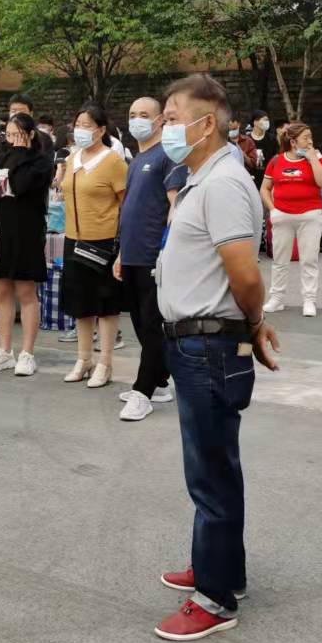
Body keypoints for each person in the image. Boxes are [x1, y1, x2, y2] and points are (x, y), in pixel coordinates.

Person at [153, 73, 280, 642]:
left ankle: (215, 598)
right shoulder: (203, 178)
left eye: (172, 117)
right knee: (214, 464)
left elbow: (244, 274)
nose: (164, 127)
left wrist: (253, 323)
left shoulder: (224, 182)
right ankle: (222, 569)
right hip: (195, 341)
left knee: (210, 470)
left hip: (209, 344)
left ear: (205, 124)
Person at [114, 96, 187, 421]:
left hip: (153, 256)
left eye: (144, 114)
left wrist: (167, 250)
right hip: (131, 254)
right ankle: (159, 382)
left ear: (159, 121)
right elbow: (130, 209)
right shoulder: (136, 160)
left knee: (153, 325)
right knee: (141, 325)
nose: (137, 120)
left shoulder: (167, 156)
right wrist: (120, 253)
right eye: (132, 114)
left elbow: (176, 207)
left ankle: (142, 391)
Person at [0, 112, 51, 375]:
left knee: (26, 292)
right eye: (8, 135)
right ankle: (4, 350)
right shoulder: (0, 159)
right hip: (2, 231)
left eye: (17, 134)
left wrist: (9, 165)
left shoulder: (40, 161)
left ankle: (27, 353)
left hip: (27, 232)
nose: (12, 140)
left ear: (30, 134)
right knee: (2, 290)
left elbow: (21, 186)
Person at [59, 103, 127, 387]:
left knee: (105, 303)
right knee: (81, 302)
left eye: (87, 125)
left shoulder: (113, 161)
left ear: (101, 130)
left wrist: (122, 245)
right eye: (78, 125)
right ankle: (83, 359)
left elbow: (126, 204)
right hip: (74, 239)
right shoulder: (73, 158)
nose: (80, 130)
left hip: (103, 241)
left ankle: (105, 362)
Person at [261, 121, 322, 317]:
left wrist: (313, 159)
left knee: (309, 260)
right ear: (293, 141)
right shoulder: (276, 161)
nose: (310, 141)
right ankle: (276, 299)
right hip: (282, 216)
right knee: (280, 260)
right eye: (306, 137)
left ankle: (309, 300)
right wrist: (273, 209)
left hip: (310, 216)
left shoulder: (317, 159)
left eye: (311, 137)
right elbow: (265, 188)